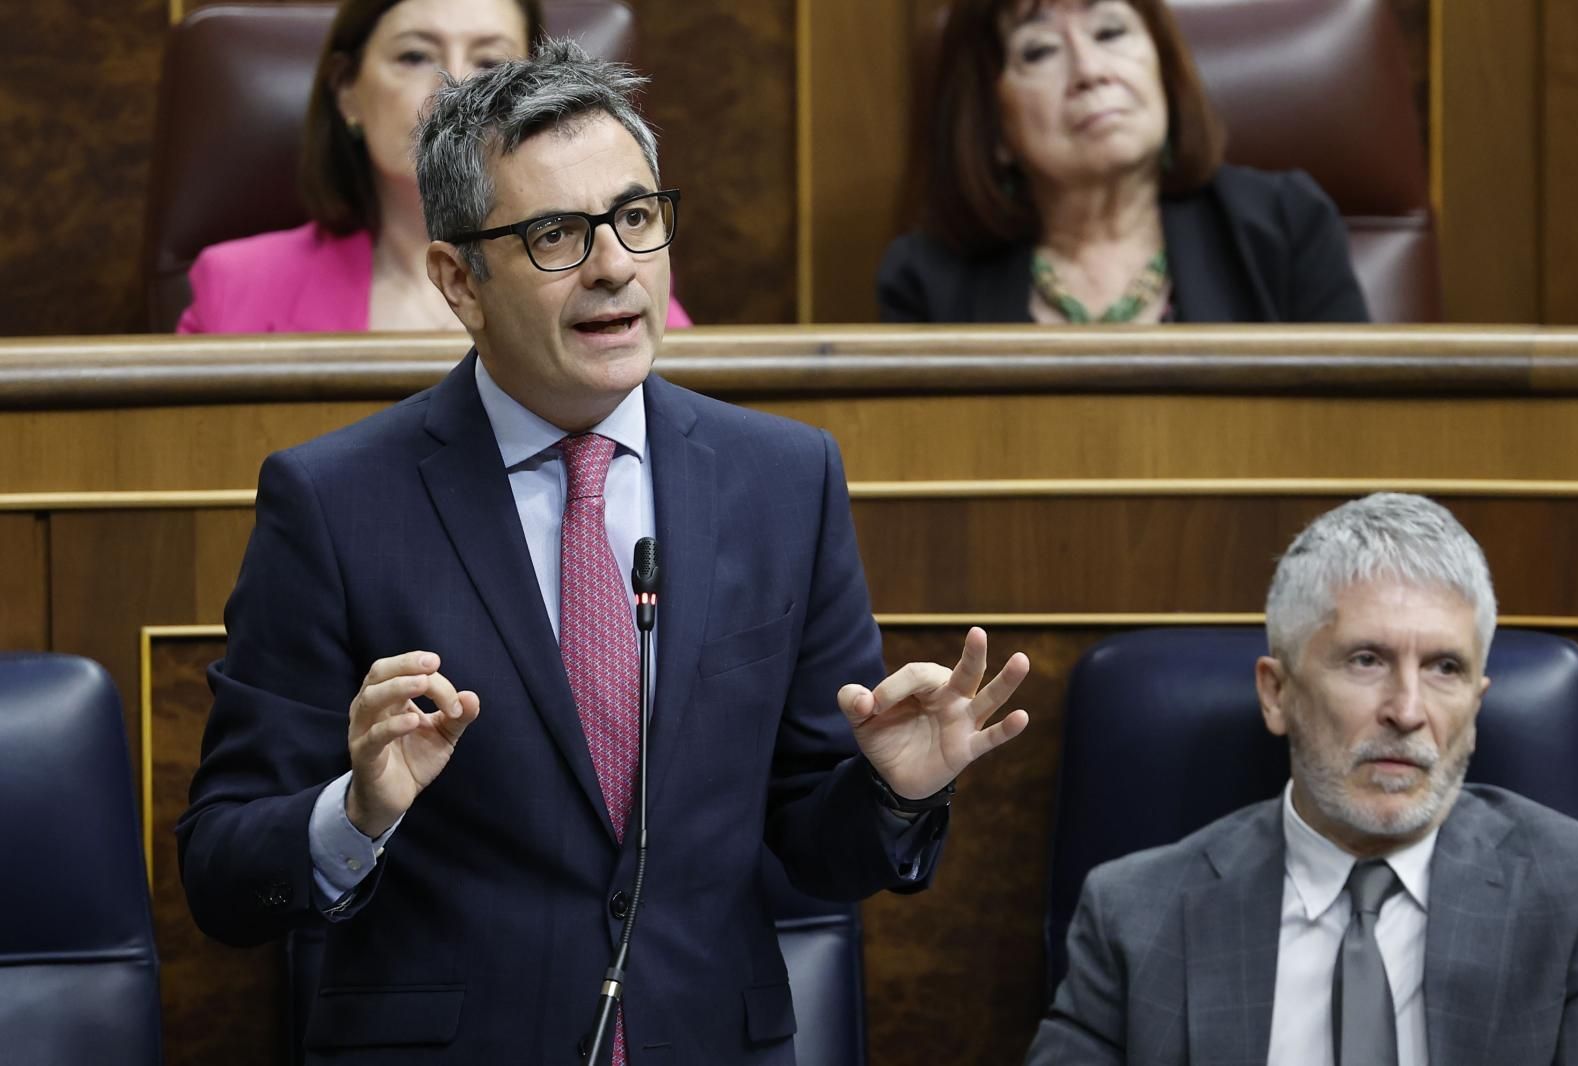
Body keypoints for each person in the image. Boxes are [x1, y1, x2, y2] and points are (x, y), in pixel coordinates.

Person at [177, 41, 1029, 1065]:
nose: (615, 266)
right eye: (554, 235)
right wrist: (355, 811)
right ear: (460, 278)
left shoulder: (782, 480)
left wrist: (893, 788)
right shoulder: (333, 502)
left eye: (634, 217)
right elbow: (222, 873)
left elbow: (814, 842)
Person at [1025, 492, 1578, 1065]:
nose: (1407, 710)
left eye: (1445, 668)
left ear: (1476, 710)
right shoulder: (1134, 915)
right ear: (1277, 694)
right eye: (1366, 660)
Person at [174, 0, 692, 334]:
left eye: (491, 63)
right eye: (416, 56)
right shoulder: (233, 290)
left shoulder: (615, 275)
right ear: (347, 90)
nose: (455, 85)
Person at [877, 0, 1369, 324]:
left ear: (1163, 71)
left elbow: (1359, 440)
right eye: (1040, 50)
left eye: (1110, 31)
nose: (1090, 71)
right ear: (993, 127)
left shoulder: (1285, 227)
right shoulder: (925, 283)